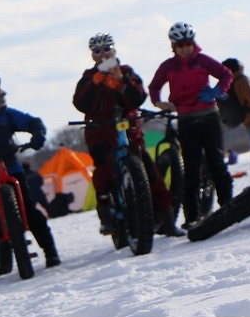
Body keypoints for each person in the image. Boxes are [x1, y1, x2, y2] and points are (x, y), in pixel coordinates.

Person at [73, 33, 182, 238]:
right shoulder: (87, 77)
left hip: (128, 128)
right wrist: (95, 85)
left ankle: (166, 219)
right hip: (100, 131)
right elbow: (81, 104)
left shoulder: (126, 71)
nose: (103, 55)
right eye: (98, 51)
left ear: (114, 50)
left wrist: (122, 83)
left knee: (149, 170)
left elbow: (138, 97)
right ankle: (106, 211)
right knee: (103, 168)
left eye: (107, 49)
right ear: (93, 56)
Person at [0, 69, 60, 283]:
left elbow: (34, 122)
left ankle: (50, 251)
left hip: (11, 167)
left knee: (29, 208)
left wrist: (38, 135)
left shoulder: (7, 113)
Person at [148, 23, 234, 228]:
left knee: (216, 162)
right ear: (174, 46)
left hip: (209, 116)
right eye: (180, 45)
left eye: (188, 43)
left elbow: (226, 75)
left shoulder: (203, 61)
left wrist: (215, 92)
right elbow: (154, 87)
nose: (185, 48)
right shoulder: (168, 66)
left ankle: (228, 206)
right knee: (192, 168)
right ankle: (192, 216)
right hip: (186, 119)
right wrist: (159, 103)